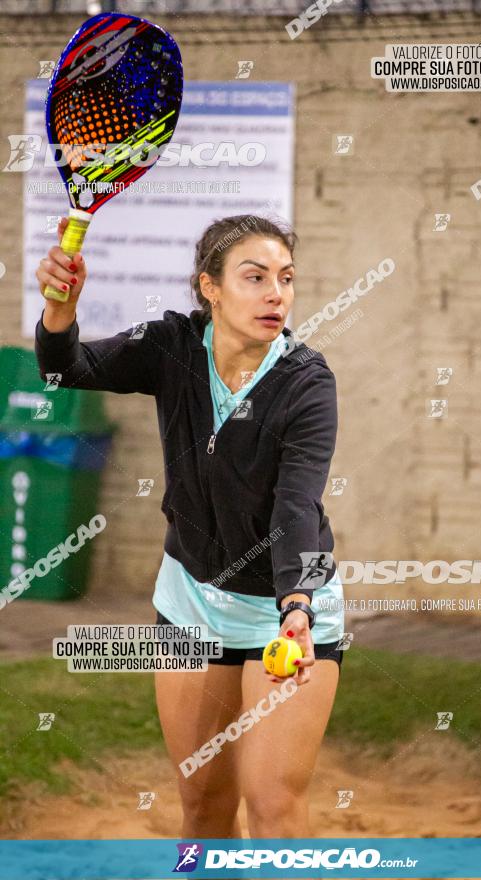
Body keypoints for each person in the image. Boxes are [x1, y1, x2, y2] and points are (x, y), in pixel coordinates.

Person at [34, 213, 345, 840]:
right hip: (191, 603)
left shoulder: (307, 384)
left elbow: (297, 506)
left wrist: (297, 604)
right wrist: (60, 311)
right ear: (209, 286)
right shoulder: (170, 346)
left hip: (286, 609)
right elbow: (66, 371)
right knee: (202, 805)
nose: (275, 294)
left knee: (273, 806)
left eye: (285, 279)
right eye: (254, 278)